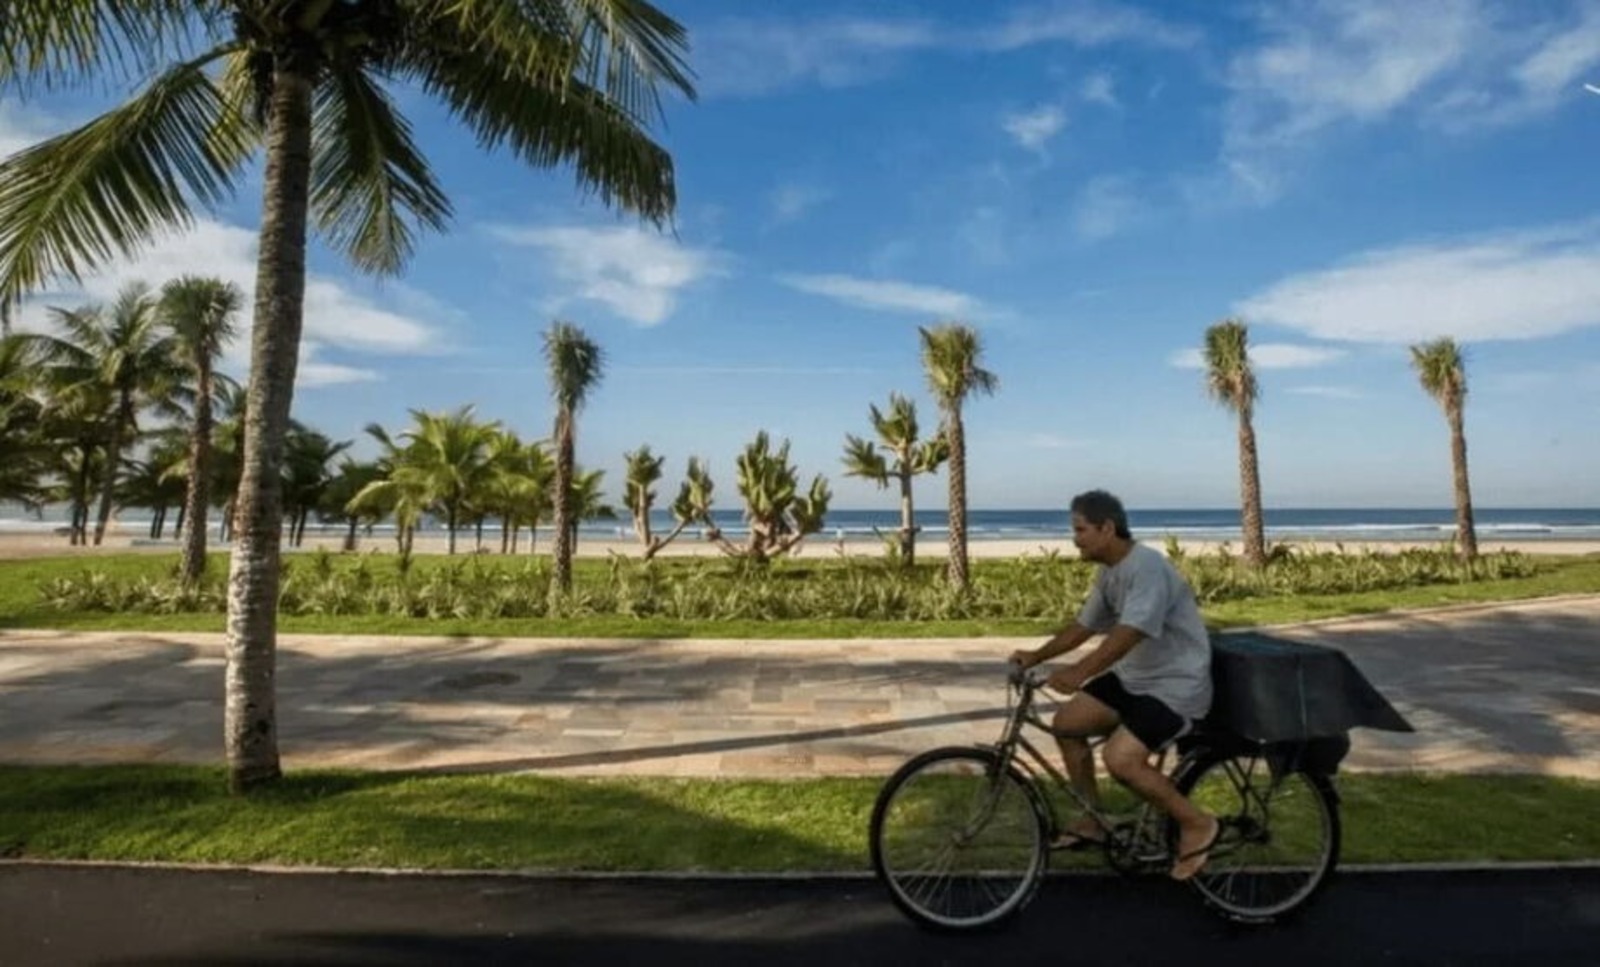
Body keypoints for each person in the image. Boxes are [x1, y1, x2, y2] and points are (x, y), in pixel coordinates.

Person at [1010, 489, 1218, 881]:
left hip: (1175, 687)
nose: (1075, 539)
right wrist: (1035, 656)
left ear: (1107, 528)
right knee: (1066, 725)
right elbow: (1083, 626)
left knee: (1120, 760)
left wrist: (1079, 673)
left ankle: (1196, 824)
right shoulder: (1110, 571)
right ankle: (1091, 818)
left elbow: (1130, 632)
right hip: (1134, 680)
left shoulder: (1147, 568)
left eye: (1081, 529)